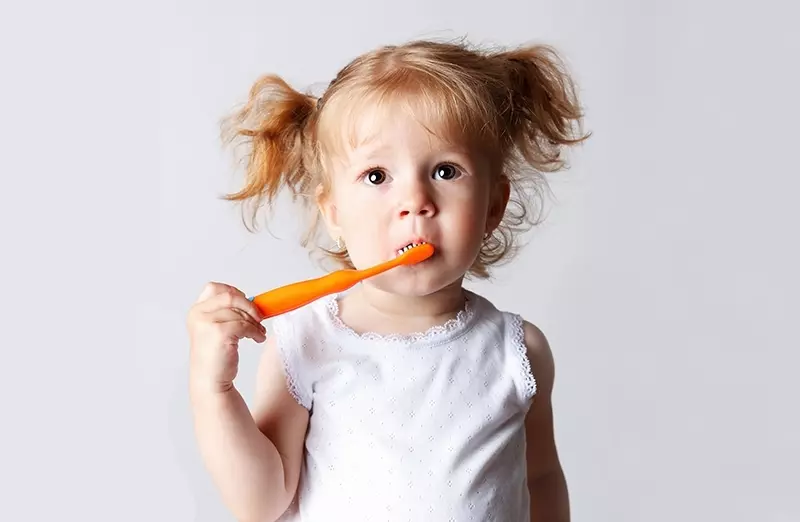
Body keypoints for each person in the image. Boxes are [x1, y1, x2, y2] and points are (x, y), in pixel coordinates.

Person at [187, 37, 589, 522]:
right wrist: (214, 390)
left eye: (446, 171)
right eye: (377, 176)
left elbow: (540, 478)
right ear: (334, 213)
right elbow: (261, 503)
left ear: (493, 207)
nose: (415, 201)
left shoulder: (518, 350)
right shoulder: (304, 341)